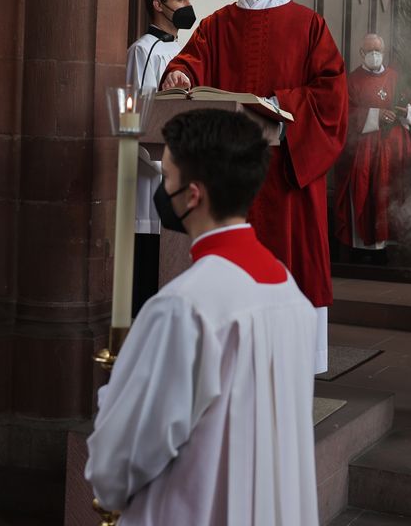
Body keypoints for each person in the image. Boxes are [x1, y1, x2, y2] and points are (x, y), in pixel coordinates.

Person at [86, 109, 318, 525]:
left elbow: (118, 463)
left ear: (192, 196)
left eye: (167, 177)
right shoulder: (290, 296)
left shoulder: (184, 308)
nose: (162, 189)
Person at [160, 0, 348, 374]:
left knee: (289, 261)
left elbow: (332, 95)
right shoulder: (217, 24)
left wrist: (279, 107)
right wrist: (181, 73)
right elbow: (191, 60)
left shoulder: (309, 26)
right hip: (229, 175)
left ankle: (291, 364)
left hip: (284, 172)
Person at [126, 0, 195, 314]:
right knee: (147, 280)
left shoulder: (187, 50)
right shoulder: (143, 51)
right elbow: (137, 119)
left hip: (184, 178)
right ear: (158, 5)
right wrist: (165, 173)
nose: (188, 5)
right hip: (154, 180)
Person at [333, 34, 411, 263]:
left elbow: (408, 107)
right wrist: (377, 115)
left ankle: (387, 247)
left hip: (391, 149)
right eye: (369, 51)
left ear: (384, 51)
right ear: (361, 54)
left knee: (388, 194)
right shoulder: (352, 80)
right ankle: (363, 249)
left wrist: (403, 112)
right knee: (366, 194)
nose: (374, 55)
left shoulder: (395, 78)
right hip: (363, 150)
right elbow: (345, 114)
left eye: (378, 50)